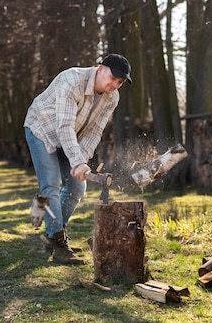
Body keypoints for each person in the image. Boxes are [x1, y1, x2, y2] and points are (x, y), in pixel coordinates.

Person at [24, 54, 132, 265]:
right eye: (113, 78)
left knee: (77, 188)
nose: (114, 85)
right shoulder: (71, 80)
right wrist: (77, 161)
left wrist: (81, 160)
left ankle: (50, 234)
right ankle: (58, 243)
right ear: (100, 69)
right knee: (51, 184)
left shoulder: (112, 98)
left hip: (70, 137)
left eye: (120, 82)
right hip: (42, 129)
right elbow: (63, 126)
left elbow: (94, 132)